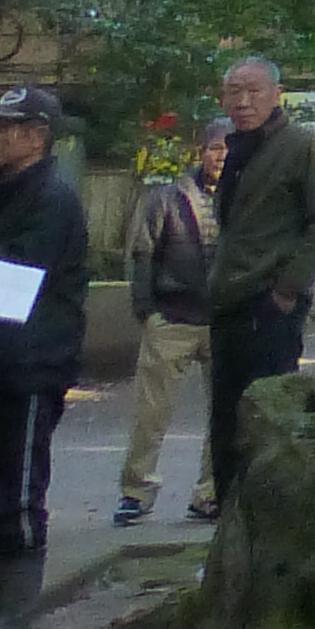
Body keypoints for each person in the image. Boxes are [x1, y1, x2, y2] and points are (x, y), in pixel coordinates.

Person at [0, 83, 88, 629]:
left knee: (16, 488)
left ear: (38, 136)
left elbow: (11, 277)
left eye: (7, 127)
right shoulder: (8, 190)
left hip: (30, 365)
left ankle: (14, 621)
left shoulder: (52, 197)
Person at [202, 55, 315, 511]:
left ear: (276, 94)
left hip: (269, 304)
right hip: (227, 305)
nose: (243, 101)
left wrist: (287, 289)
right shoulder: (235, 149)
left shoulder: (303, 146)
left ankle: (272, 530)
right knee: (225, 428)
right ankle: (226, 537)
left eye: (253, 91)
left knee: (267, 423)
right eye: (234, 92)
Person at [115, 118, 226, 521]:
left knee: (225, 413)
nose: (222, 156)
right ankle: (135, 491)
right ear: (201, 151)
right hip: (172, 317)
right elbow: (142, 253)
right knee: (151, 413)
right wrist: (146, 311)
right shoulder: (167, 198)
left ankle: (210, 492)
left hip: (223, 320)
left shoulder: (244, 198)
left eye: (229, 148)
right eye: (216, 147)